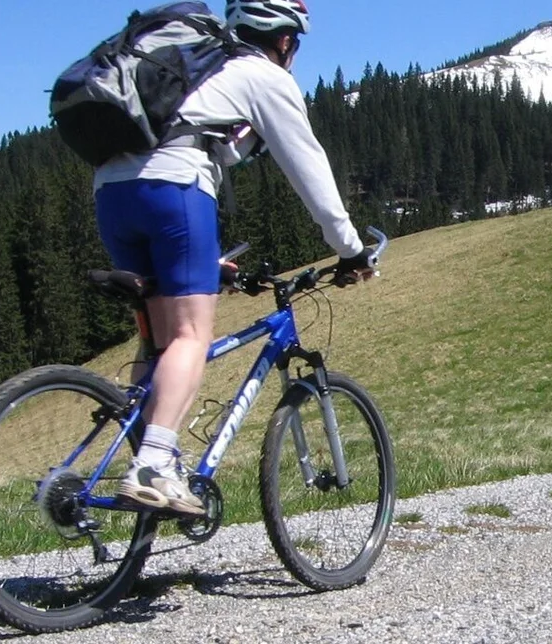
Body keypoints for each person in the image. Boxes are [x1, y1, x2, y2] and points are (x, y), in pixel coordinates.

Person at [94, 0, 374, 515]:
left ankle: (137, 452)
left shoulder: (200, 68)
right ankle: (154, 464)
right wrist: (351, 249)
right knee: (189, 335)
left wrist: (205, 266)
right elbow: (310, 170)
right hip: (175, 187)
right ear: (286, 40)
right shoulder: (260, 74)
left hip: (111, 191)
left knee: (157, 340)